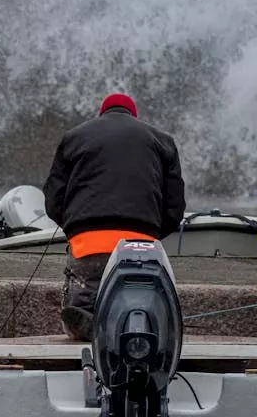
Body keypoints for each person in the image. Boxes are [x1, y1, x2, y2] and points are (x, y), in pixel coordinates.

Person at [42, 92, 186, 341]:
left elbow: (53, 200)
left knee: (82, 304)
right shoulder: (163, 142)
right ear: (134, 116)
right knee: (136, 300)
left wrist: (74, 229)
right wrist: (151, 235)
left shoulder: (74, 138)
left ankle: (85, 317)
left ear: (102, 114)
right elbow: (175, 208)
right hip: (140, 243)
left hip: (88, 242)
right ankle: (129, 325)